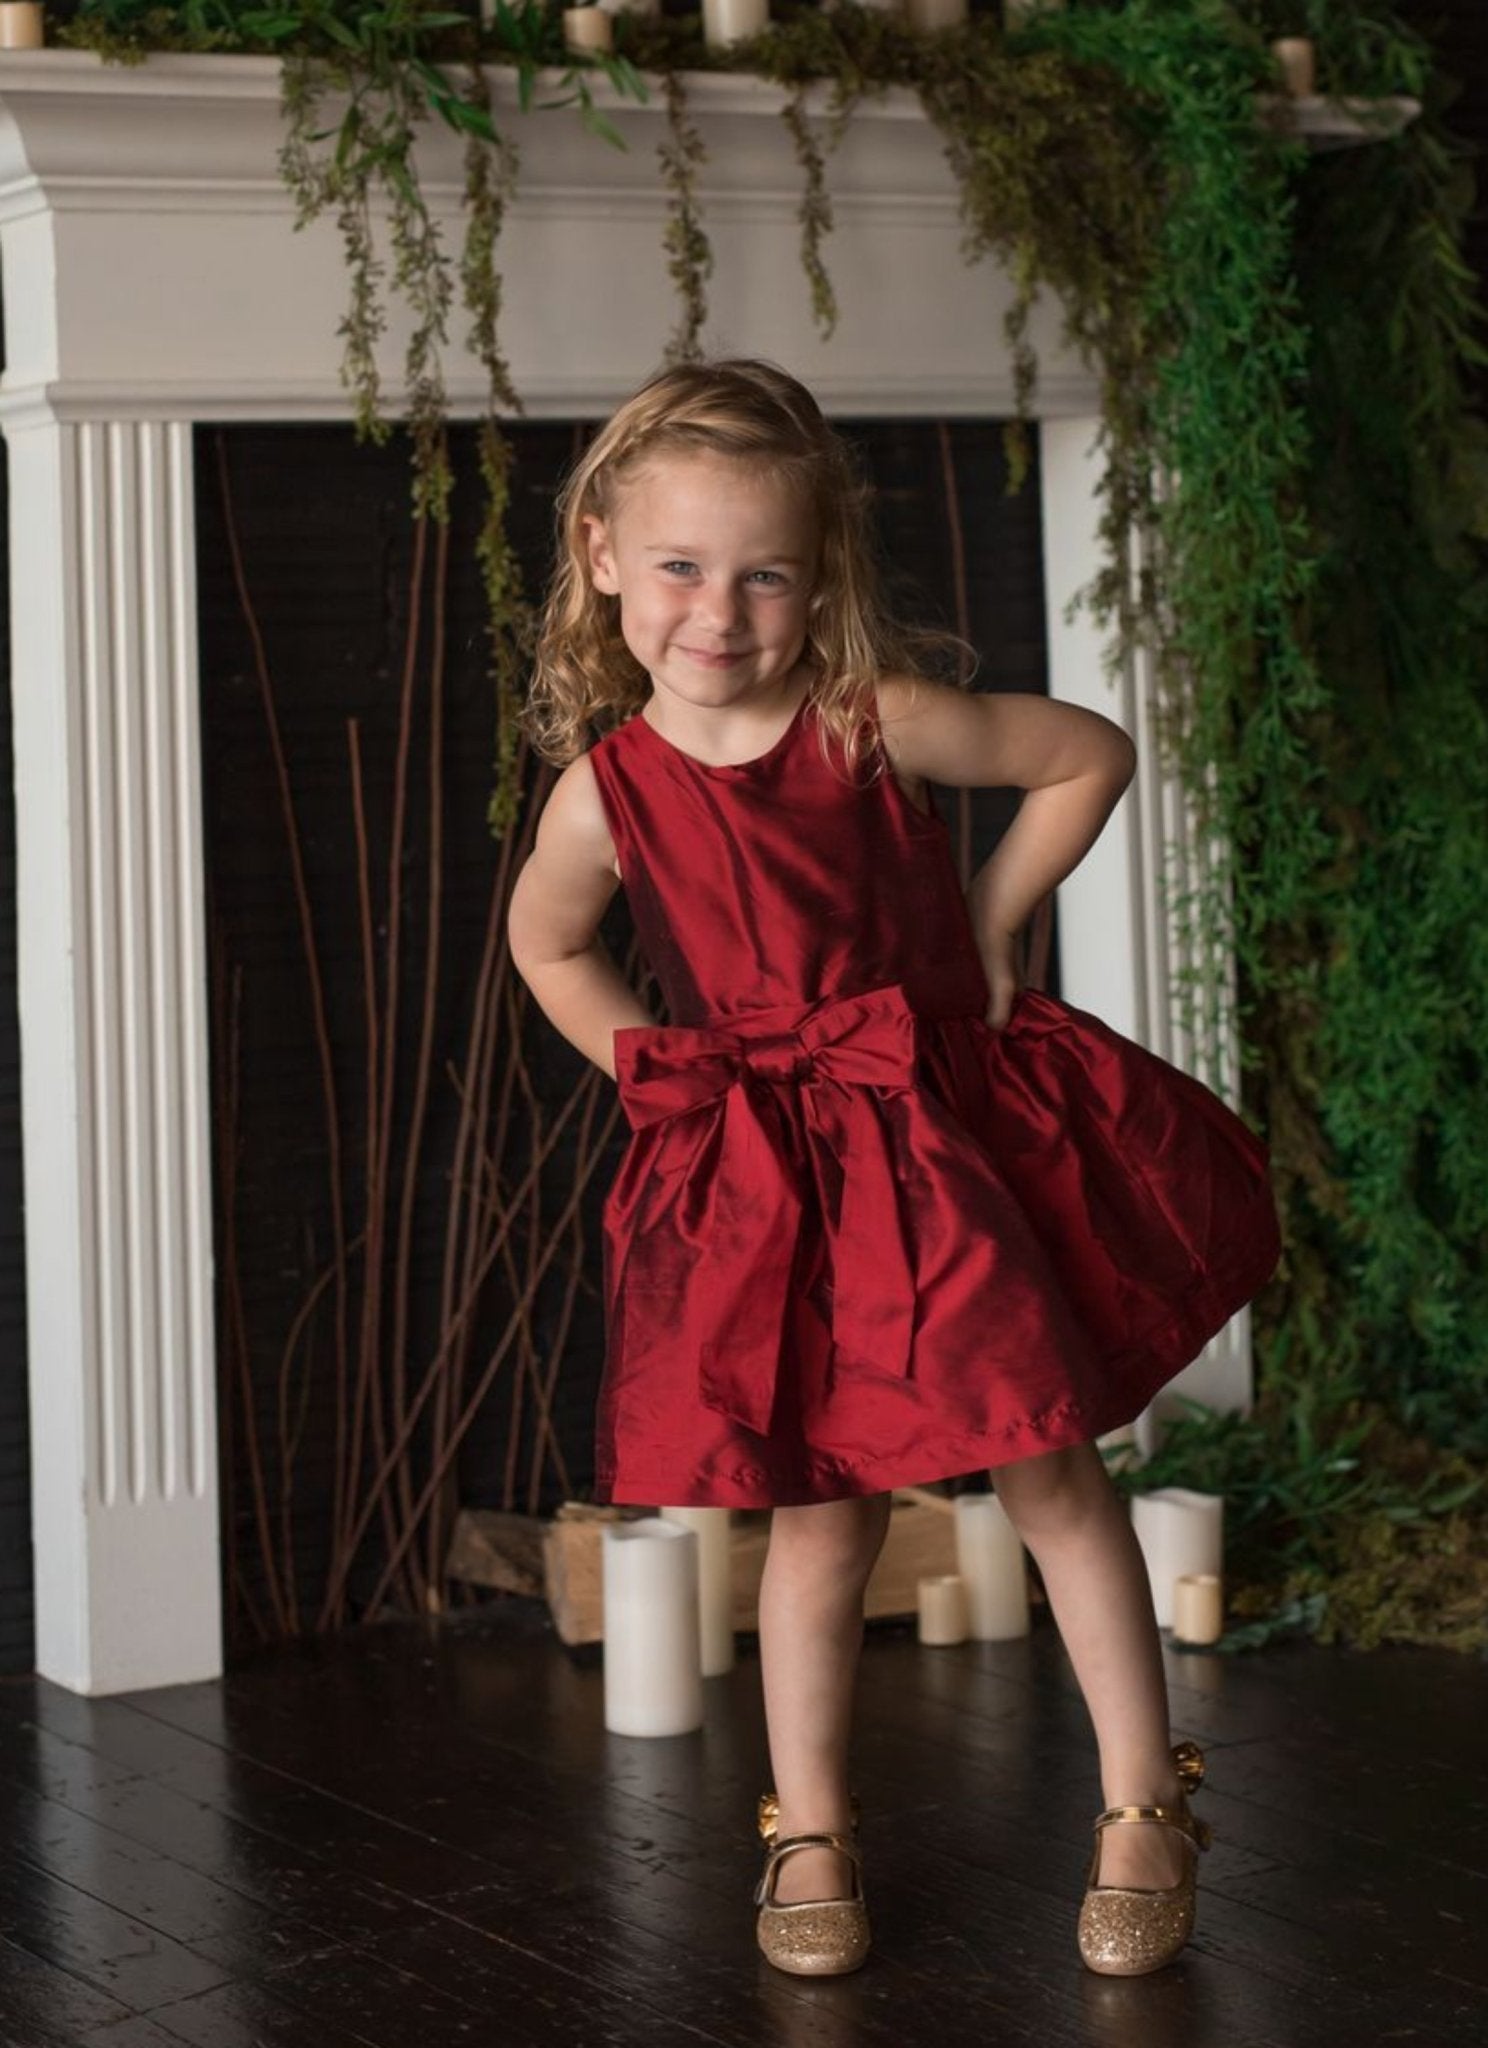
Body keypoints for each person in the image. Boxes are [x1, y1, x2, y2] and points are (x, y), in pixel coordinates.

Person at [506, 358, 1279, 1981]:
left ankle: (1146, 1801)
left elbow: (1084, 752)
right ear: (601, 555)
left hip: (942, 1147)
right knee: (819, 1517)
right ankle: (808, 1828)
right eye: (680, 566)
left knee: (1049, 1469)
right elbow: (549, 945)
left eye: (765, 575)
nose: (719, 613)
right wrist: (663, 1073)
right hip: (782, 1185)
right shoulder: (609, 795)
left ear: (820, 576)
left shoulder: (867, 719)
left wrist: (993, 918)